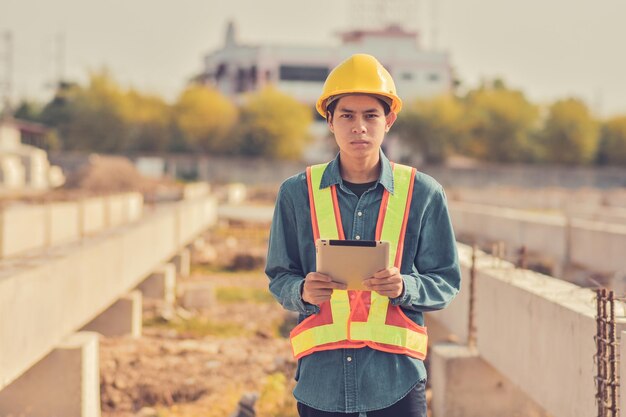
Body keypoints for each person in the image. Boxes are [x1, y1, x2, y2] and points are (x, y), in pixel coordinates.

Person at [265, 53, 461, 417]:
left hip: (397, 383)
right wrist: (302, 291)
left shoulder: (424, 193)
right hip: (320, 385)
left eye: (371, 115)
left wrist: (405, 287)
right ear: (329, 120)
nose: (359, 127)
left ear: (389, 121)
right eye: (347, 115)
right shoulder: (296, 194)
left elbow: (446, 281)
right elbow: (279, 276)